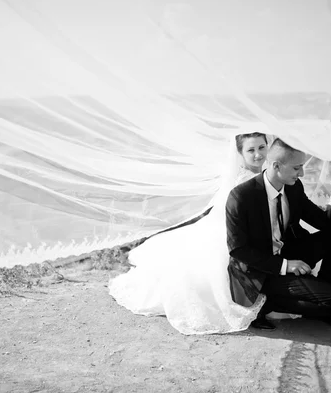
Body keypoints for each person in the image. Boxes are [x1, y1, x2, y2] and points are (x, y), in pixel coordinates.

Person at [108, 132, 269, 335]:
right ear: (240, 153)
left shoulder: (265, 175)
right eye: (251, 150)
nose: (257, 154)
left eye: (261, 147)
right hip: (232, 232)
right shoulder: (242, 182)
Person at [225, 138, 331, 331]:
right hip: (261, 269)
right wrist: (285, 266)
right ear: (276, 166)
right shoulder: (241, 197)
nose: (302, 173)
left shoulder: (294, 187)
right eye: (297, 168)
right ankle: (267, 303)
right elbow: (238, 250)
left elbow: (322, 221)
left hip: (288, 250)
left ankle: (323, 297)